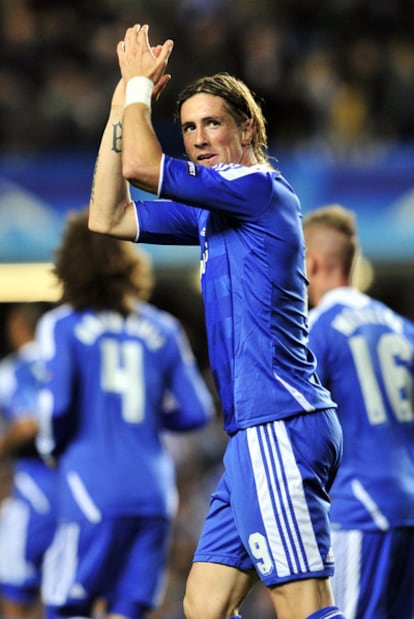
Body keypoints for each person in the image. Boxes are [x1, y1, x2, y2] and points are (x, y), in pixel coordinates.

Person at [88, 23, 347, 619]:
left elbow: (144, 167)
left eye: (212, 123)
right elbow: (107, 215)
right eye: (188, 127)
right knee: (204, 603)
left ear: (247, 128)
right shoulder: (214, 215)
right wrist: (117, 109)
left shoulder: (254, 187)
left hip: (279, 421)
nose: (199, 138)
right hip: (250, 434)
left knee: (302, 601)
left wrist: (135, 90)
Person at [35, 209, 214, 619]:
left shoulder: (62, 326)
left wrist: (50, 446)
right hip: (153, 491)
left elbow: (57, 408)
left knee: (68, 605)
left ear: (72, 263)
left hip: (91, 486)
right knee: (129, 608)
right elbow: (197, 410)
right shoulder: (163, 328)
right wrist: (147, 417)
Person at [303, 204, 414, 619]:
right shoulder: (402, 328)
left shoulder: (317, 328)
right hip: (407, 504)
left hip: (360, 508)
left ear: (309, 263)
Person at [0, 302, 58, 619]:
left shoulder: (12, 372)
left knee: (14, 584)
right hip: (77, 486)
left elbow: (25, 425)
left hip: (32, 486)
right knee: (65, 588)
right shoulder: (64, 364)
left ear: (18, 328)